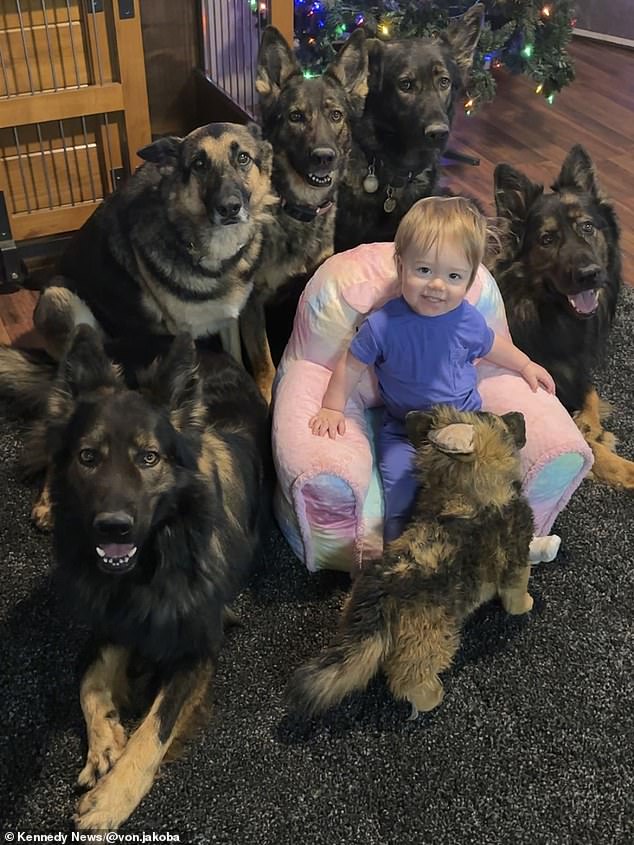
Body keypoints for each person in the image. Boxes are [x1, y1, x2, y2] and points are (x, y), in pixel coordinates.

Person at [310, 195, 557, 545]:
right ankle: (400, 551)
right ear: (401, 266)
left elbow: (493, 344)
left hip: (470, 422)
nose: (437, 286)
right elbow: (351, 365)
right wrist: (332, 407)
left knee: (493, 477)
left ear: (471, 279)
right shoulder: (382, 325)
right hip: (406, 429)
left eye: (453, 276)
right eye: (423, 270)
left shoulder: (467, 319)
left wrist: (525, 364)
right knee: (400, 487)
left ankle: (509, 541)